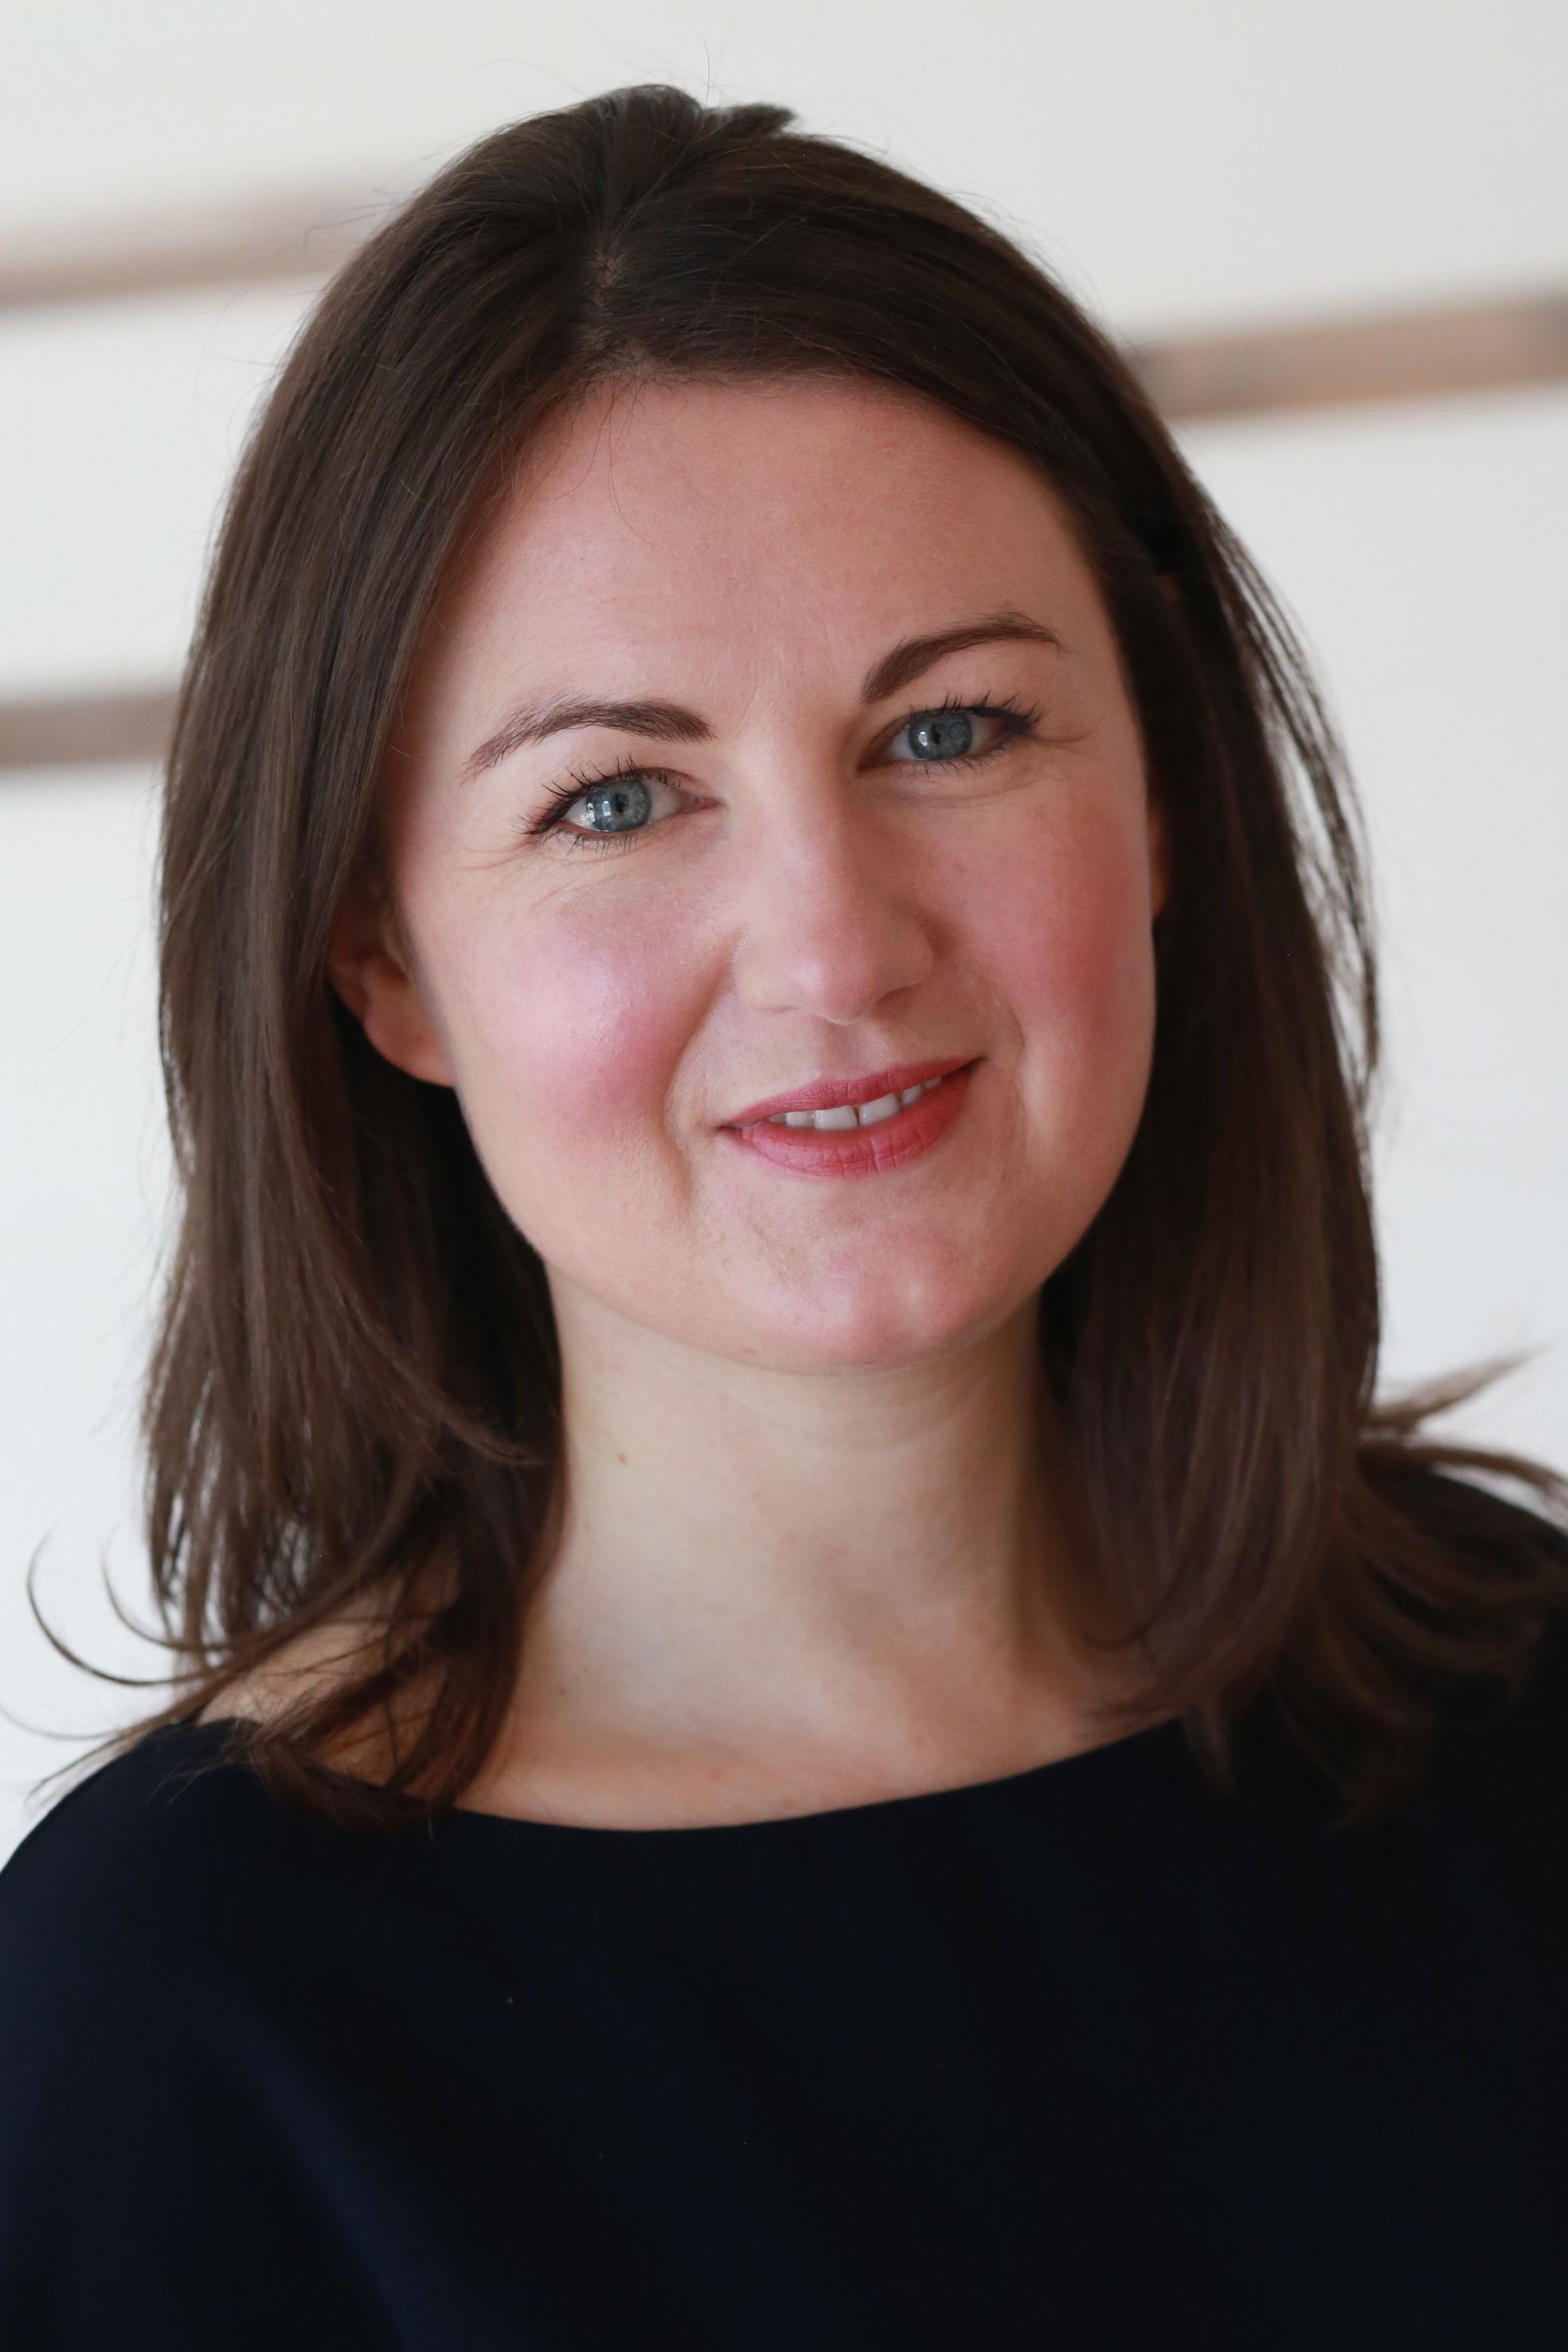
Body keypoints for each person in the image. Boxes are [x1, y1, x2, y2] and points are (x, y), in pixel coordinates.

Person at [2, 83, 1565, 2350]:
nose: (831, 945)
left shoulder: (1514, 1714)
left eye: (949, 732)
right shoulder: (167, 2027)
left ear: (1159, 802)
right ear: (381, 957)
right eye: (618, 795)